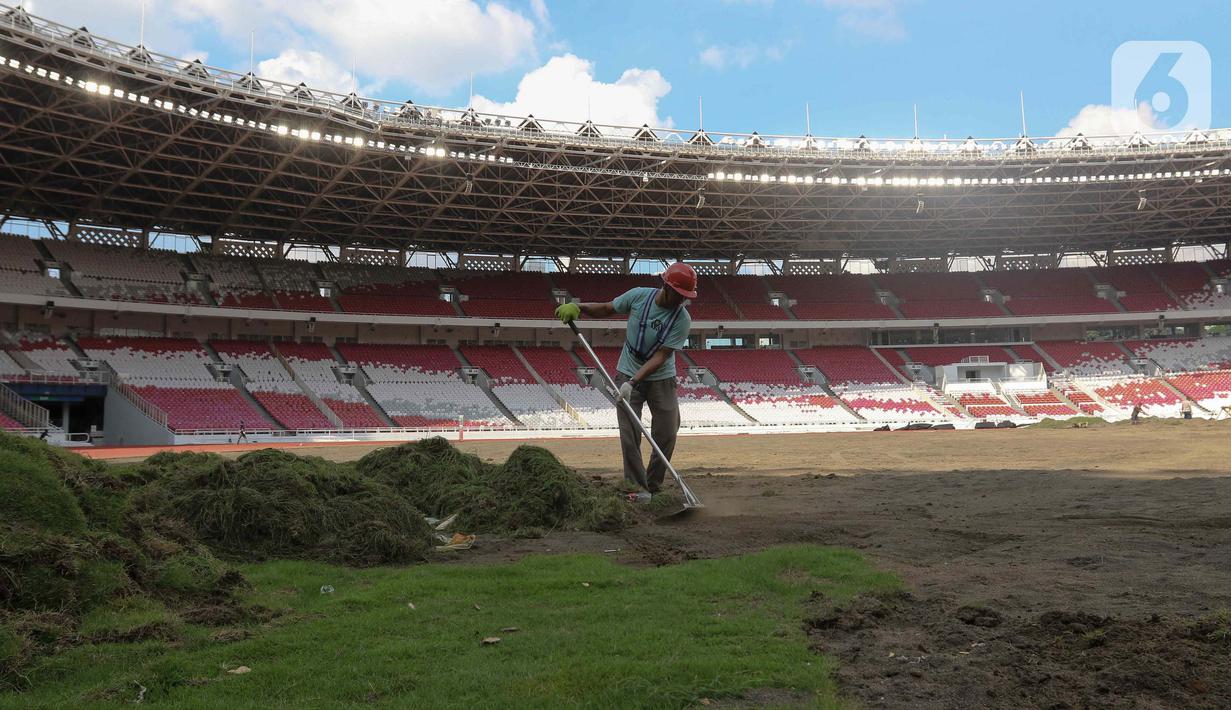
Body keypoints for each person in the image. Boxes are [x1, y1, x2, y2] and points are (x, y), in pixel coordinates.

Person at [554, 263, 696, 501]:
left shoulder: (682, 319)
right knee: (630, 433)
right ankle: (636, 488)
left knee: (668, 431)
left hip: (660, 377)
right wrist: (578, 308)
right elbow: (608, 308)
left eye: (686, 297)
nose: (682, 301)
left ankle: (652, 484)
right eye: (680, 295)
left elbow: (662, 356)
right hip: (627, 369)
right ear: (666, 286)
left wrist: (633, 382)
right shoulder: (639, 296)